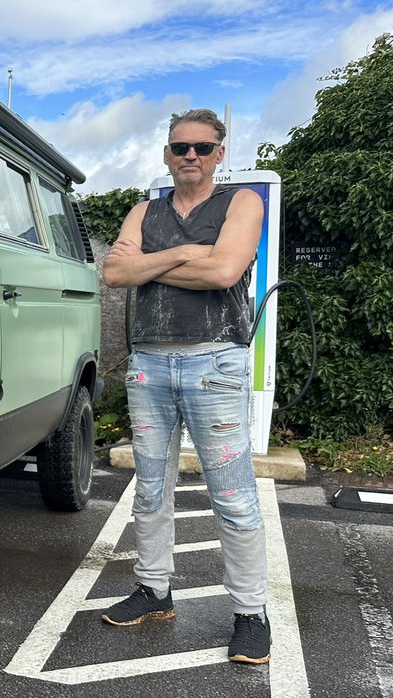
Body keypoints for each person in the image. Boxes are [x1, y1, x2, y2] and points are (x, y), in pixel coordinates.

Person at [101, 108, 270, 665]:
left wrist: (147, 263)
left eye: (201, 147)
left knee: (233, 494)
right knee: (149, 488)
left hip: (214, 362)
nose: (190, 156)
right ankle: (153, 589)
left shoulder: (242, 204)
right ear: (166, 154)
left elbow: (224, 273)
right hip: (149, 364)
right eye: (180, 147)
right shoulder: (143, 211)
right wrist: (181, 254)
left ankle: (250, 613)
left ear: (220, 152)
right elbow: (114, 274)